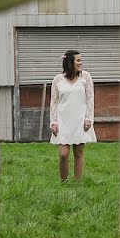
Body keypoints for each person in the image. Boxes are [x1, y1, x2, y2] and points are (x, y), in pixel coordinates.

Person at [50, 49, 96, 181]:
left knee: (78, 152)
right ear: (70, 62)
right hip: (63, 121)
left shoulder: (86, 77)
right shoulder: (57, 79)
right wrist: (53, 121)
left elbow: (90, 99)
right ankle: (63, 181)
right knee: (63, 154)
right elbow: (53, 101)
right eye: (78, 60)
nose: (81, 63)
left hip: (80, 120)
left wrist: (88, 119)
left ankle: (77, 182)